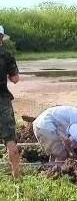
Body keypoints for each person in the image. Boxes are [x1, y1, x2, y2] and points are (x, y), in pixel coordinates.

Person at [0, 25, 21, 179]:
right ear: (2, 38)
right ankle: (17, 177)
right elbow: (15, 80)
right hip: (3, 101)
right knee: (10, 140)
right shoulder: (7, 56)